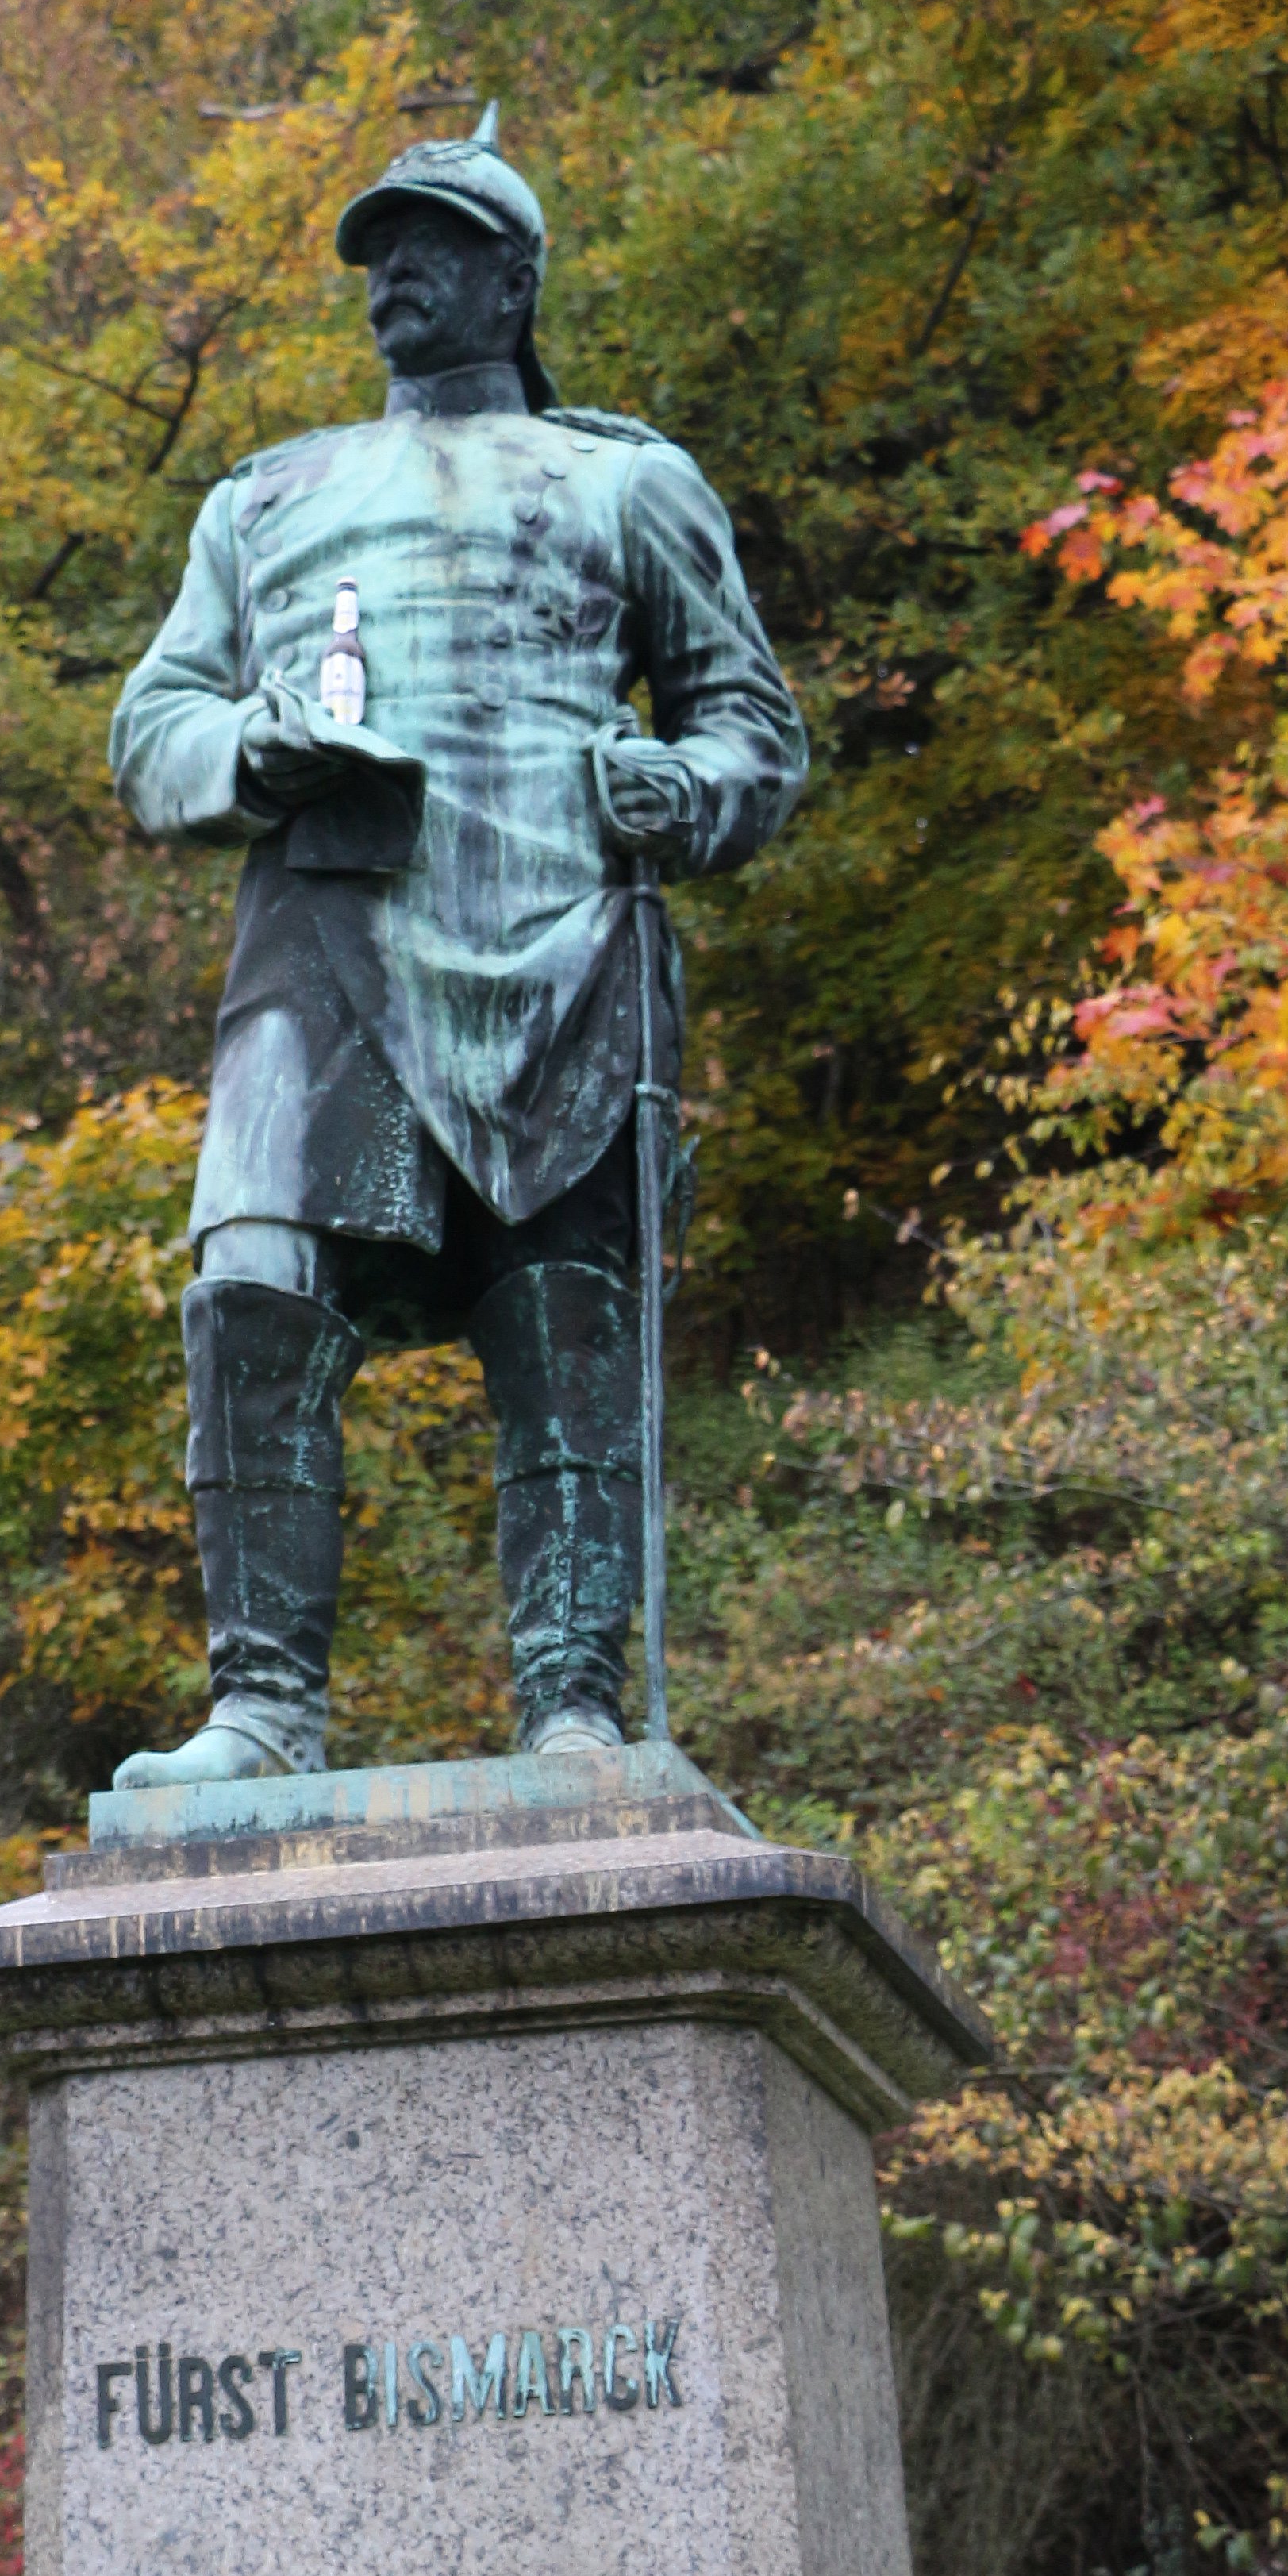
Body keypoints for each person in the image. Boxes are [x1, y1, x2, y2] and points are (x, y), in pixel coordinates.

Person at [108, 106, 805, 1783]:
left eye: (427, 245)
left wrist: (678, 784)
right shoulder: (266, 497)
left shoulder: (626, 479)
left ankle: (571, 1704)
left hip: (563, 936)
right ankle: (262, 1708)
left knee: (564, 1328)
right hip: (325, 934)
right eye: (375, 252)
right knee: (251, 1283)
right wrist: (248, 757)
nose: (392, 276)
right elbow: (153, 726)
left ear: (513, 277)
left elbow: (752, 731)